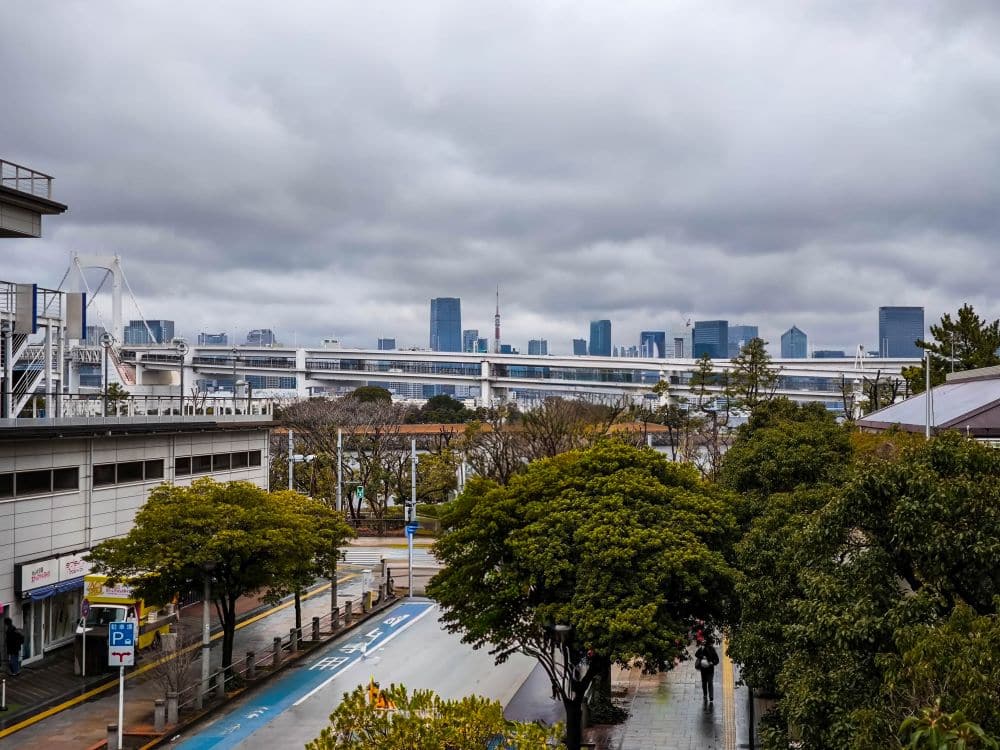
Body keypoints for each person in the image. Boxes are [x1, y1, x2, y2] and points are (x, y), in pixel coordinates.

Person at [694, 636, 720, 703]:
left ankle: (711, 696)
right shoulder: (702, 649)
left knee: (710, 682)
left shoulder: (712, 650)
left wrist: (712, 663)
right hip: (703, 669)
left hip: (710, 669)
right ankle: (705, 694)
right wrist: (702, 656)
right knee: (704, 682)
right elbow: (696, 654)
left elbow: (717, 660)